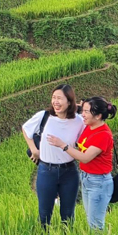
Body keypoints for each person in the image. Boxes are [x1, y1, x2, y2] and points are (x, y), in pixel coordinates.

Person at [47, 97, 116, 231]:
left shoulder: (103, 135)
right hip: (87, 178)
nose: (82, 115)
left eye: (86, 112)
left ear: (98, 116)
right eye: (82, 111)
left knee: (95, 225)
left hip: (99, 182)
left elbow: (85, 158)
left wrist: (62, 145)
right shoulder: (89, 126)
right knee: (91, 221)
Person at [22, 84, 85, 227]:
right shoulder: (44, 116)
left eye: (60, 98)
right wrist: (34, 150)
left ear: (69, 101)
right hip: (46, 171)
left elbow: (86, 140)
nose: (56, 102)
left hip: (69, 172)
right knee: (44, 214)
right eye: (53, 98)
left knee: (68, 216)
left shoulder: (78, 121)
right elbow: (26, 129)